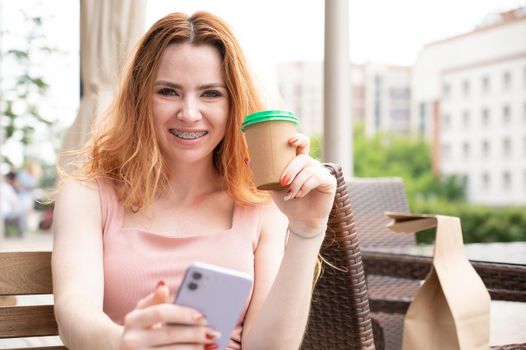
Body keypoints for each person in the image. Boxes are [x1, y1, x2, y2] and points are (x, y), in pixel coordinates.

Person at [52, 11, 336, 350]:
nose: (189, 113)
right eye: (169, 91)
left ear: (234, 104)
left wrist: (307, 231)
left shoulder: (262, 205)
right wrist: (123, 343)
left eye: (211, 94)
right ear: (140, 99)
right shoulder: (87, 194)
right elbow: (74, 315)